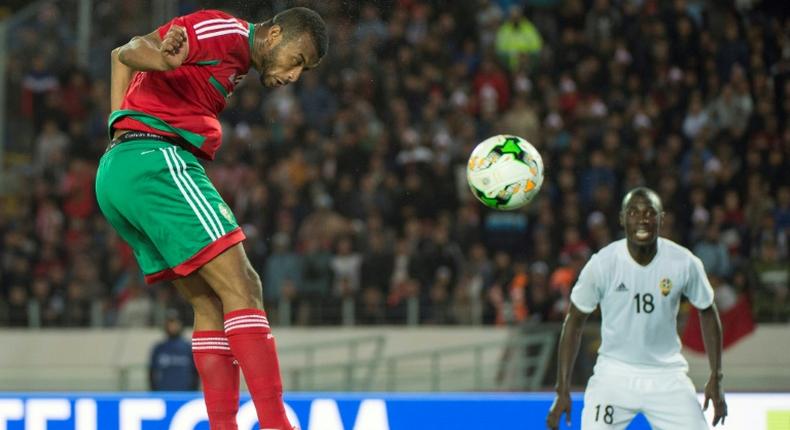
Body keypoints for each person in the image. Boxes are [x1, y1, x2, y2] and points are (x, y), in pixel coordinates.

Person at [96, 7, 328, 430]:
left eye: (304, 70)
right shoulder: (227, 32)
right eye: (298, 60)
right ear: (275, 35)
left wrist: (117, 135)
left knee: (209, 302)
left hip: (125, 168)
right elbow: (130, 50)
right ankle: (277, 425)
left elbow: (115, 57)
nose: (295, 75)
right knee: (245, 285)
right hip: (157, 160)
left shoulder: (235, 59)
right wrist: (161, 58)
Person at [547, 187, 728, 429]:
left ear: (661, 219)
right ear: (622, 219)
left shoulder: (684, 262)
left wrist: (716, 376)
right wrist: (562, 389)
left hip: (667, 377)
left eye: (650, 212)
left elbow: (707, 310)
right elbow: (574, 320)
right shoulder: (602, 264)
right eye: (633, 212)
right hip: (614, 375)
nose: (642, 218)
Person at [149, 310, 198, 391]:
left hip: (185, 394)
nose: (173, 326)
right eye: (170, 323)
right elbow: (151, 373)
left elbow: (195, 373)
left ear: (180, 325)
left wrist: (192, 391)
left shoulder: (188, 348)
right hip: (164, 394)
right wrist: (155, 392)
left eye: (175, 323)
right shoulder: (159, 348)